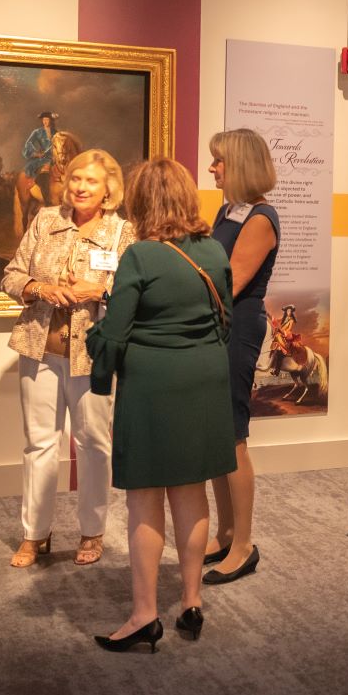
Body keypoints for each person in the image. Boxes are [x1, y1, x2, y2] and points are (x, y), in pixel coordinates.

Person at [88, 157, 237, 652]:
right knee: (192, 491)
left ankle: (145, 613)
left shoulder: (140, 256)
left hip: (154, 385)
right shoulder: (214, 250)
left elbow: (115, 333)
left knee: (145, 500)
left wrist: (96, 348)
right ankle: (192, 600)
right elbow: (225, 319)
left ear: (142, 201)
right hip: (205, 379)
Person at [1, 149, 134, 567]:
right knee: (39, 443)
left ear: (109, 188)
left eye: (91, 181)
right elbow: (11, 275)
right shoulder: (45, 220)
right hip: (39, 346)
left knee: (93, 443)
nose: (80, 187)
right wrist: (39, 288)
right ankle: (34, 534)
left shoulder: (122, 233)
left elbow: (134, 294)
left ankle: (92, 533)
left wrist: (99, 291)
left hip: (92, 354)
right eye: (75, 178)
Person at [203, 128, 281, 585]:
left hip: (238, 327)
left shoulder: (261, 218)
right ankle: (227, 531)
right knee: (217, 433)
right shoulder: (227, 209)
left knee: (233, 435)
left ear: (240, 165)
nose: (213, 167)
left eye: (219, 161)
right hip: (218, 325)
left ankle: (245, 544)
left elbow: (228, 284)